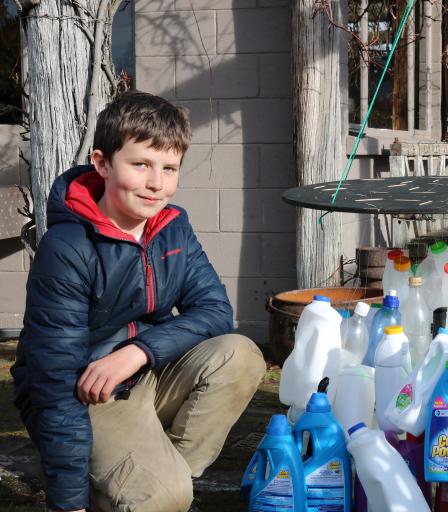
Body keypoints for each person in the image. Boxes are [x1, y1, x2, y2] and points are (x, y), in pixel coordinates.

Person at [11, 91, 267, 512]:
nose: (156, 184)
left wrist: (137, 352)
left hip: (144, 372)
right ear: (102, 164)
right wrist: (67, 502)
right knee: (165, 497)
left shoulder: (172, 228)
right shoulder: (68, 248)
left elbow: (216, 312)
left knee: (238, 353)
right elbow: (53, 381)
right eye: (141, 164)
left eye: (169, 168)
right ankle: (119, 484)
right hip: (87, 395)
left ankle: (153, 476)